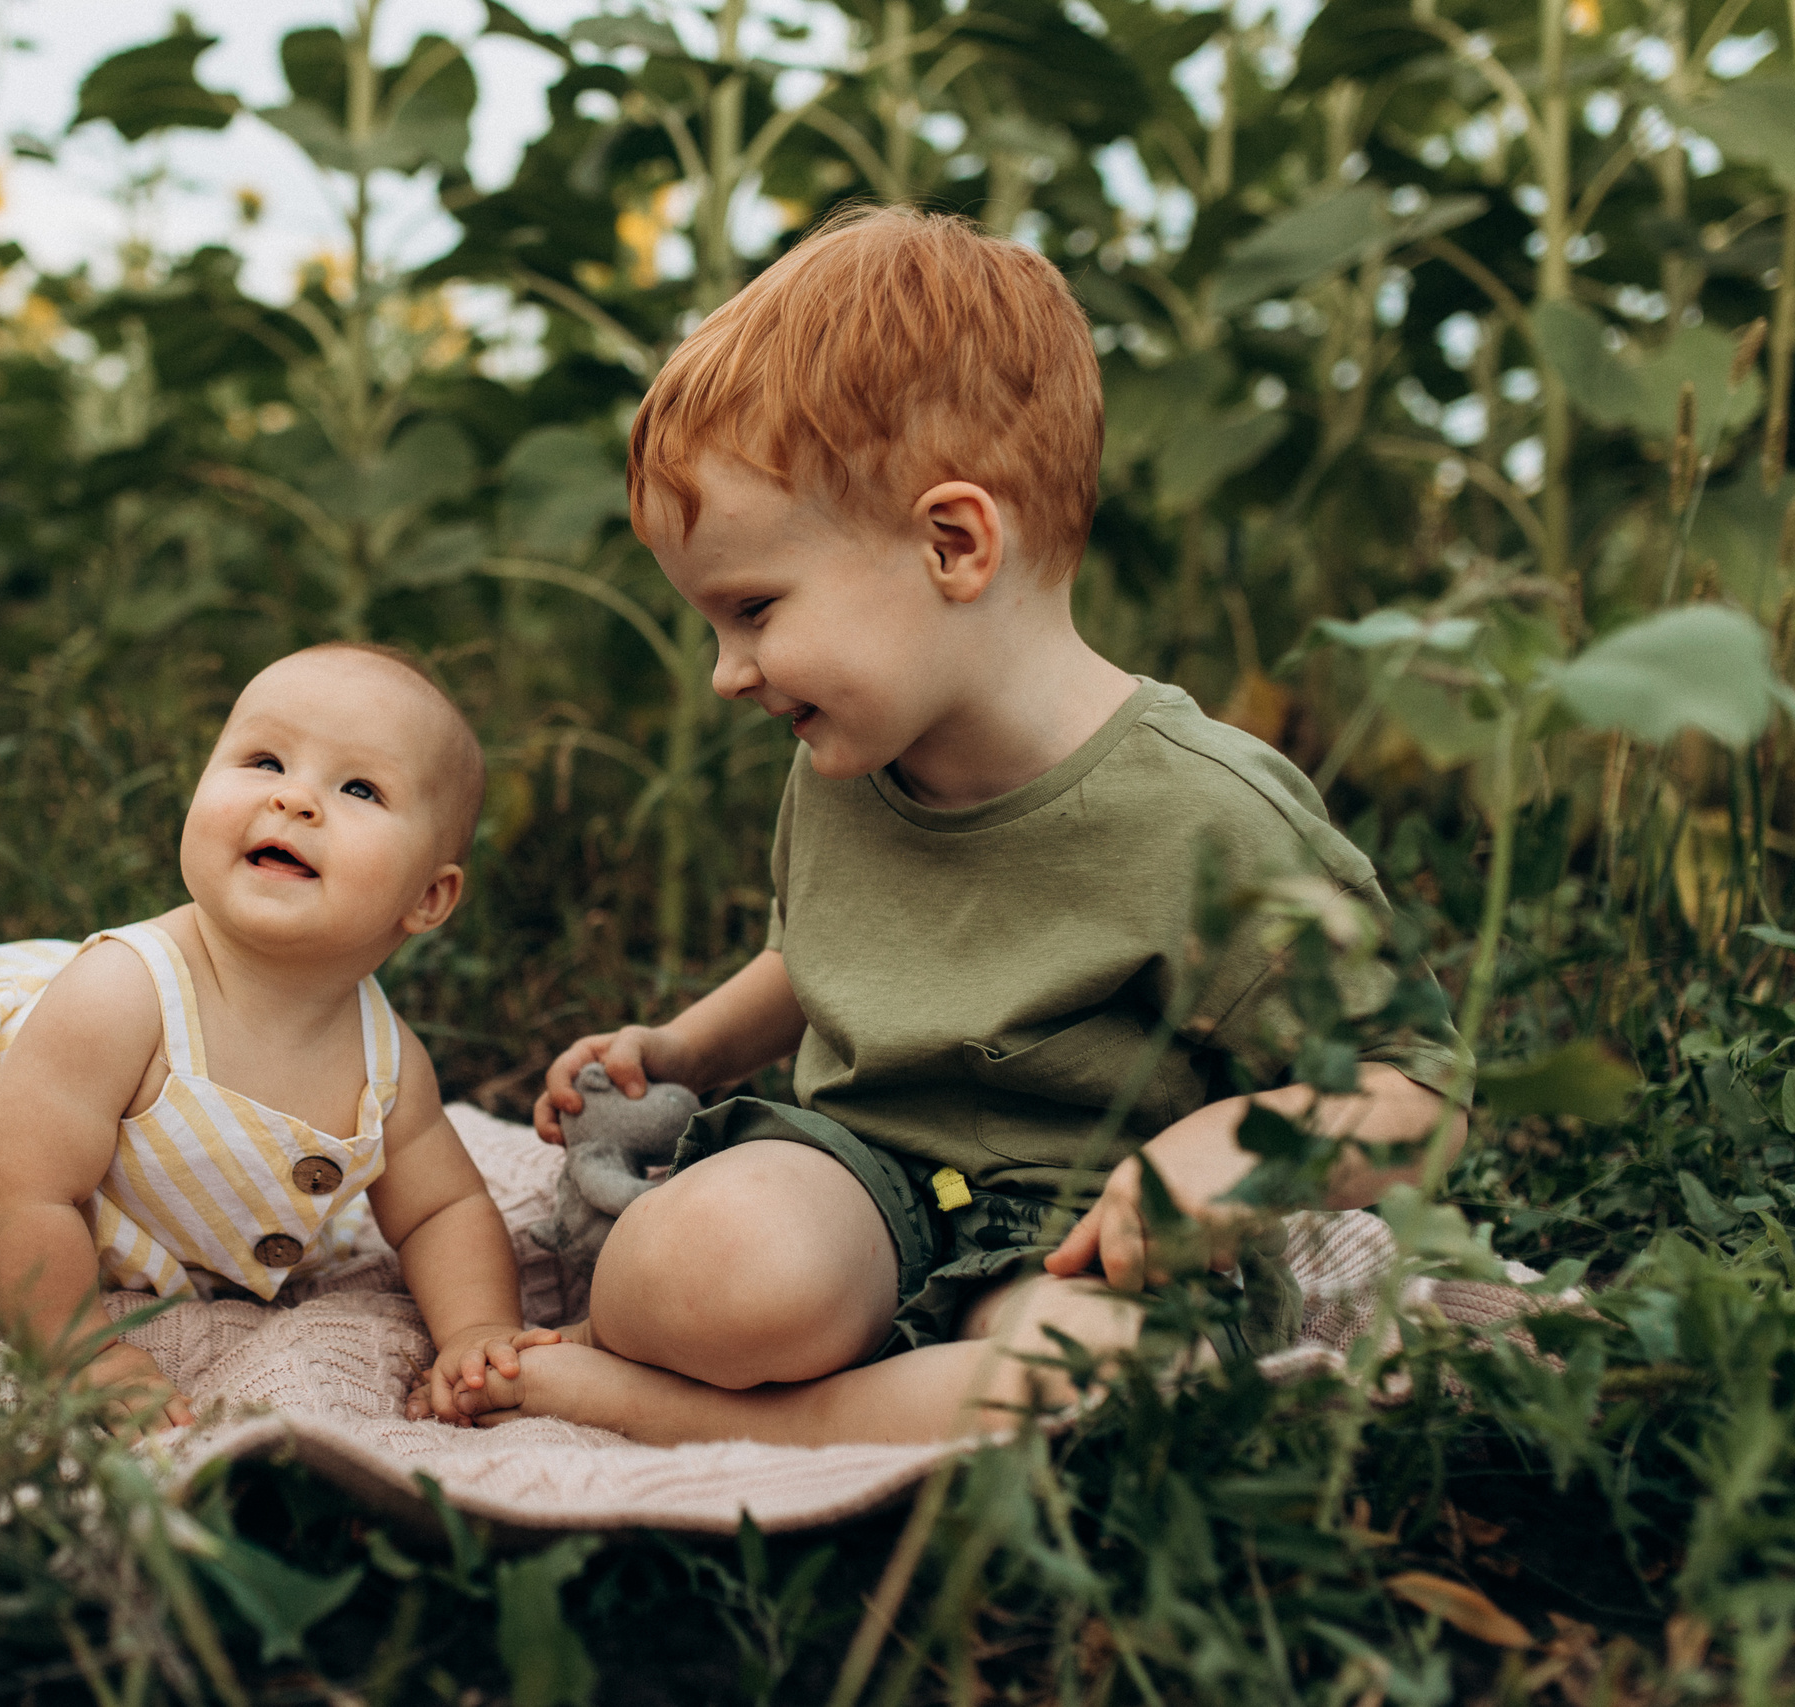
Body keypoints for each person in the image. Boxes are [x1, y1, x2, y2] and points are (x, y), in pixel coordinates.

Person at [420, 205, 1469, 1444]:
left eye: (753, 609)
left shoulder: (1211, 812)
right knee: (684, 1270)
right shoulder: (842, 758)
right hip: (857, 1176)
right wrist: (689, 1050)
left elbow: (1415, 1091)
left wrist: (1226, 1152)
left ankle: (703, 1420)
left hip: (1079, 1232)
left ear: (952, 542)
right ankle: (801, 1384)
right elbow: (825, 956)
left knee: (1101, 1377)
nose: (727, 673)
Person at [0, 643, 550, 1433]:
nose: (295, 800)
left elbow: (442, 1208)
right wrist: (79, 1351)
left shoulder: (388, 1064)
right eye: (266, 760)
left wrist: (476, 1330)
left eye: (359, 787)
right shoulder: (122, 996)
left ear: (429, 897)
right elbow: (22, 1189)